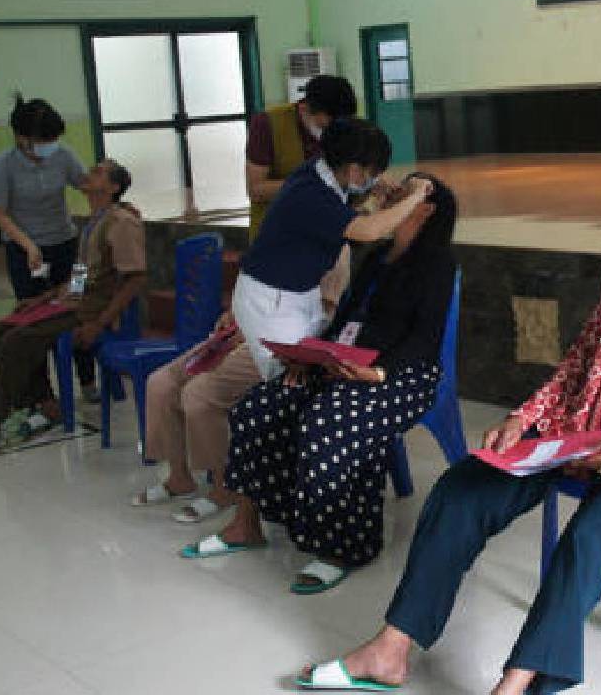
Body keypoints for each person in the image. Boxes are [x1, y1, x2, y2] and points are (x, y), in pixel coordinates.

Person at [294, 178, 601, 694]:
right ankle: (391, 649)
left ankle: (515, 685)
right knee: (461, 488)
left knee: (591, 534)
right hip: (581, 422)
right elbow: (578, 362)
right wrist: (524, 416)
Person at [181, 174, 458, 596]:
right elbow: (346, 318)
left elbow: (425, 339)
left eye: (412, 190)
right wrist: (312, 357)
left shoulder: (437, 264)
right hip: (345, 363)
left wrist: (379, 373)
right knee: (260, 406)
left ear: (427, 208)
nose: (397, 191)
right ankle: (246, 523)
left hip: (401, 374)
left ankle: (342, 547)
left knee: (331, 422)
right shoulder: (379, 256)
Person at [128, 248, 350, 522]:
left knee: (199, 395)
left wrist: (256, 328)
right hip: (240, 334)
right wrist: (233, 314)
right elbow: (251, 286)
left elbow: (323, 317)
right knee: (161, 383)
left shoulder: (334, 250)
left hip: (274, 344)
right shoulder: (278, 234)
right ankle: (179, 477)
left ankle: (224, 488)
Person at [233, 118, 432, 383]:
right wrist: (415, 197)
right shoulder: (311, 193)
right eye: (372, 172)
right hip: (272, 303)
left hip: (297, 293)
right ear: (353, 170)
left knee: (305, 375)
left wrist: (374, 196)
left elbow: (348, 217)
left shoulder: (319, 173)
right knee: (287, 383)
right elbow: (367, 231)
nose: (375, 179)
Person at [0, 160, 144, 442]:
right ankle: (45, 403)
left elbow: (134, 279)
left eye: (97, 172)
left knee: (16, 340)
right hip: (71, 302)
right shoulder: (91, 223)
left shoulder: (122, 222)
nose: (88, 175)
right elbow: (81, 275)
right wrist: (44, 298)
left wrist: (99, 323)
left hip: (90, 309)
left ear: (113, 187)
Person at [0, 96, 101, 405]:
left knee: (77, 307)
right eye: (43, 140)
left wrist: (109, 202)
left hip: (67, 247)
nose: (49, 146)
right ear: (21, 138)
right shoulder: (3, 166)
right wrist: (28, 245)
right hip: (24, 253)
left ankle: (88, 380)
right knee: (32, 320)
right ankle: (43, 397)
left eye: (52, 140)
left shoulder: (63, 155)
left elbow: (86, 184)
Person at [245, 74, 357, 239]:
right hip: (277, 235)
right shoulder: (267, 124)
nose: (332, 133)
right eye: (326, 126)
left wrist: (367, 183)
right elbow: (256, 189)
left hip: (323, 232)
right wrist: (316, 182)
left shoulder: (344, 128)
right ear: (305, 109)